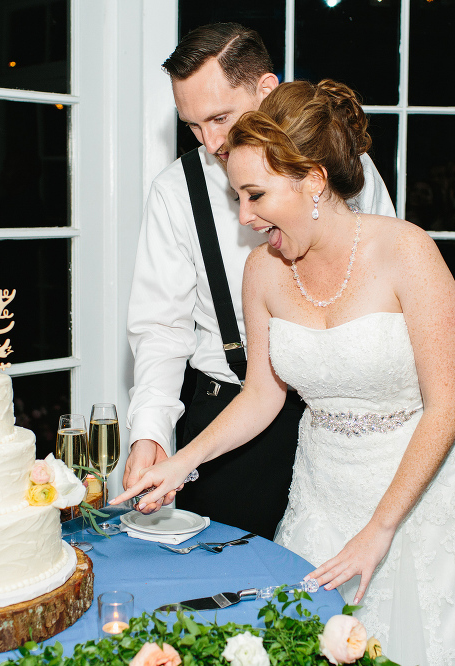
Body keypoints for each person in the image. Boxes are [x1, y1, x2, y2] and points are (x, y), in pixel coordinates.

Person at [115, 79, 455, 665]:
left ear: (313, 180)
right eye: (237, 199)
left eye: (255, 195)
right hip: (322, 499)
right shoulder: (262, 272)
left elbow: (445, 407)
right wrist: (180, 463)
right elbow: (261, 394)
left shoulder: (408, 254)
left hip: (419, 504)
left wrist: (381, 528)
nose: (246, 217)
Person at [123, 23, 395, 538]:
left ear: (266, 89)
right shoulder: (175, 193)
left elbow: (397, 287)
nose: (211, 142)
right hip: (232, 422)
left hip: (347, 416)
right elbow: (161, 329)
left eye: (220, 118)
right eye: (193, 126)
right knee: (228, 604)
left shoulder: (345, 168)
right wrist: (151, 433)